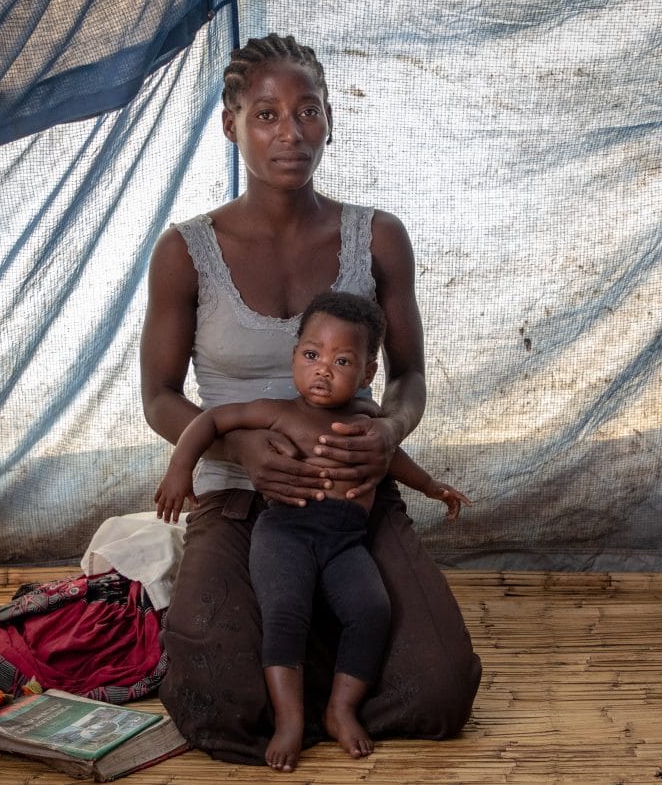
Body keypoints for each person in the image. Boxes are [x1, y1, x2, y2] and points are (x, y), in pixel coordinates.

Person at [139, 31, 482, 767]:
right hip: (235, 497)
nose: (290, 133)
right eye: (265, 115)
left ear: (330, 121)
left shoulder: (378, 237)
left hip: (352, 496)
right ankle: (301, 653)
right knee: (215, 705)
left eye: (308, 112)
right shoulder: (185, 250)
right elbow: (159, 396)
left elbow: (410, 377)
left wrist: (387, 430)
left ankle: (313, 669)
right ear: (229, 125)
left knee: (442, 690)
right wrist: (243, 447)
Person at [154, 291, 469, 770]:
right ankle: (289, 720)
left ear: (366, 374)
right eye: (311, 355)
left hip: (346, 541)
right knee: (285, 611)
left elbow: (395, 461)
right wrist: (181, 468)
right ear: (294, 357)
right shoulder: (282, 412)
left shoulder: (369, 423)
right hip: (285, 534)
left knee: (371, 610)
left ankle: (341, 708)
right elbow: (214, 419)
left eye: (342, 360)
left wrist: (432, 487)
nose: (323, 369)